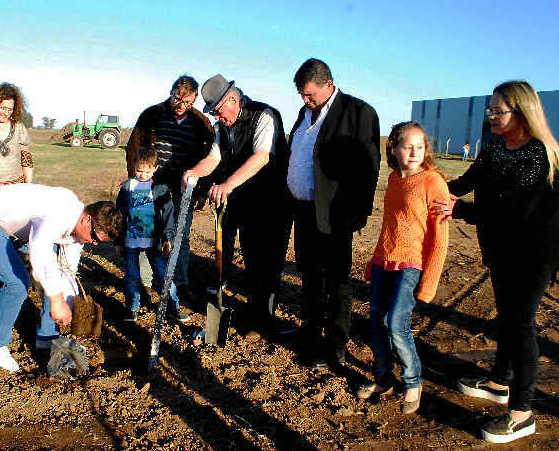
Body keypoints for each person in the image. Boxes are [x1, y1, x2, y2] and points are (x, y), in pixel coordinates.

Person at [433, 80, 559, 443]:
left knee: (520, 324)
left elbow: (516, 211)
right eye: (490, 109)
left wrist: (463, 211)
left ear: (522, 113)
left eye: (498, 110)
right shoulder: (495, 149)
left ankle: (522, 413)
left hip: (534, 252)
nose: (490, 115)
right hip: (503, 249)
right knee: (508, 318)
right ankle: (497, 382)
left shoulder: (540, 155)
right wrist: (427, 181)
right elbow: (465, 183)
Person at [0, 183, 122, 372]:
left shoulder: (77, 231)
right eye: (95, 238)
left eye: (99, 242)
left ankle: (47, 337)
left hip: (18, 227)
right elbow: (39, 252)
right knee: (17, 283)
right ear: (87, 220)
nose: (94, 244)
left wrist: (71, 315)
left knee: (54, 275)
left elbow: (67, 270)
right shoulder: (59, 214)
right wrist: (56, 301)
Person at [285, 58, 380, 370]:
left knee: (337, 282)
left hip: (335, 213)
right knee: (310, 277)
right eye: (301, 95)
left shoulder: (358, 112)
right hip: (304, 210)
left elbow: (369, 164)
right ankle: (310, 333)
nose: (305, 100)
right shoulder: (305, 113)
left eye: (309, 94)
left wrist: (359, 209)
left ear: (328, 84)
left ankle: (336, 346)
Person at [183, 74, 291, 343]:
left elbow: (262, 156)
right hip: (247, 202)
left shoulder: (264, 115)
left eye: (219, 111)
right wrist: (193, 173)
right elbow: (215, 157)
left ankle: (261, 321)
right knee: (252, 259)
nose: (217, 117)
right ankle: (252, 309)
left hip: (272, 202)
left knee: (265, 262)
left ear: (233, 99)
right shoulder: (223, 127)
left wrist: (227, 184)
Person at [355, 122, 449, 415]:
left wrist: (430, 279)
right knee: (375, 322)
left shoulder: (433, 181)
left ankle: (413, 381)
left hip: (411, 264)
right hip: (384, 261)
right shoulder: (394, 178)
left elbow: (441, 235)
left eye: (420, 147)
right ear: (394, 149)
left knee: (396, 323)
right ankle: (383, 378)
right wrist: (375, 260)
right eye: (407, 147)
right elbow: (389, 227)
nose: (414, 152)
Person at [126, 76, 213, 298]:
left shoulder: (201, 123)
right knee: (149, 230)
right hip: (152, 187)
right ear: (172, 92)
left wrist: (202, 191)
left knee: (180, 235)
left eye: (188, 102)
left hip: (184, 190)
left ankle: (180, 282)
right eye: (177, 99)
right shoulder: (152, 115)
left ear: (194, 100)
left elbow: (208, 158)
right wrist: (137, 182)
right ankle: (146, 281)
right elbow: (133, 147)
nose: (181, 105)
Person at [115, 147, 189, 323]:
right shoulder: (126, 188)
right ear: (133, 167)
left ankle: (173, 307)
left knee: (164, 276)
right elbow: (118, 216)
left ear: (155, 168)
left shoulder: (161, 188)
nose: (142, 174)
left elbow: (169, 215)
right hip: (130, 241)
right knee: (132, 276)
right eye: (139, 170)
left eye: (147, 171)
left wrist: (167, 238)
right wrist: (118, 240)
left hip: (154, 242)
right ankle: (132, 307)